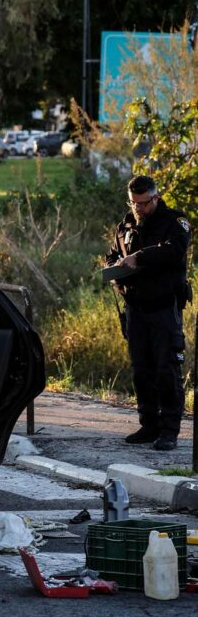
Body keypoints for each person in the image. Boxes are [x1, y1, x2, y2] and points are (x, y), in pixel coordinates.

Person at [107, 174, 191, 452]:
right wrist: (114, 267)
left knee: (166, 368)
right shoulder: (126, 225)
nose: (138, 209)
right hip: (135, 307)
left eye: (143, 203)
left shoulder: (175, 222)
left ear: (155, 198)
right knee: (141, 368)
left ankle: (169, 429)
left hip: (163, 307)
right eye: (133, 203)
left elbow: (174, 251)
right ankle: (149, 423)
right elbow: (113, 254)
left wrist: (139, 257)